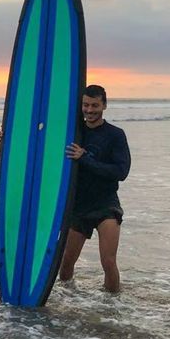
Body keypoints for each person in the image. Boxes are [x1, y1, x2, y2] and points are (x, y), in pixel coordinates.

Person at [57, 85, 131, 292]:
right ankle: (70, 302)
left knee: (108, 262)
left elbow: (121, 172)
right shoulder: (73, 133)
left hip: (106, 205)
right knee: (65, 267)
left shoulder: (115, 135)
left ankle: (113, 307)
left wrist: (85, 158)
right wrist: (7, 138)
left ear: (104, 105)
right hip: (78, 206)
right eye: (86, 105)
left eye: (95, 105)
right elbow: (41, 139)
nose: (89, 110)